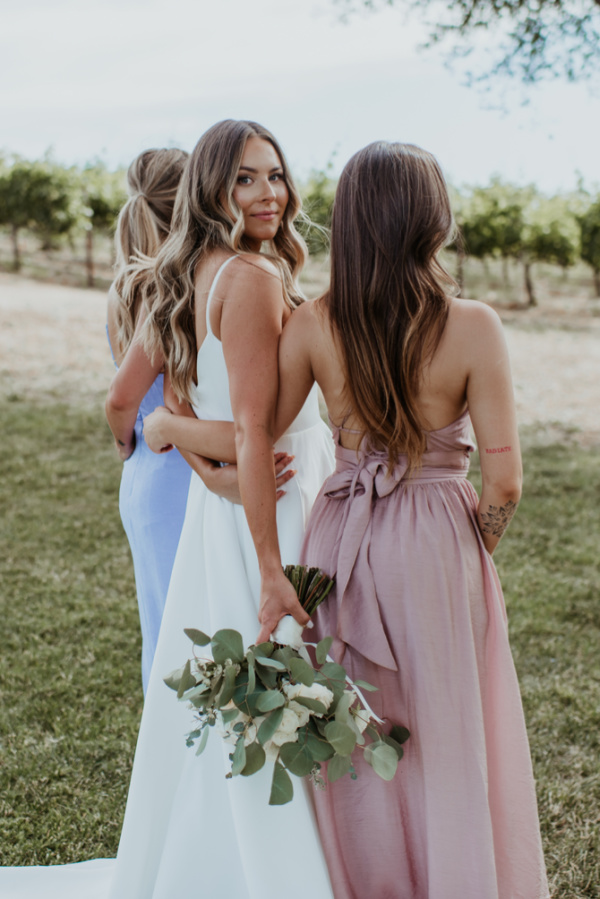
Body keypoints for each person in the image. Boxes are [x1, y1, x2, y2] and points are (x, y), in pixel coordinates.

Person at [0, 122, 333, 898]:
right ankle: (271, 867)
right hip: (271, 506)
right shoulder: (246, 277)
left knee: (231, 686)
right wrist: (266, 560)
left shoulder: (189, 271)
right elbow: (253, 426)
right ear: (211, 187)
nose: (268, 194)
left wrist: (177, 441)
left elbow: (173, 403)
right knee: (273, 677)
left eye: (276, 176)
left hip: (229, 506)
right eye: (246, 179)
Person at [264, 142, 550, 898]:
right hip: (435, 540)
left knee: (356, 728)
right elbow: (507, 482)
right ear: (433, 217)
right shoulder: (473, 325)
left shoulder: (312, 323)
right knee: (449, 727)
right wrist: (467, 546)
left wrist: (178, 434)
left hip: (340, 542)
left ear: (350, 221)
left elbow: (259, 436)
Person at [105, 147, 192, 693]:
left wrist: (125, 444)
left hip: (145, 473)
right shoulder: (167, 292)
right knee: (187, 627)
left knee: (162, 623)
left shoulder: (125, 286)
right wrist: (124, 435)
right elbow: (120, 399)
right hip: (177, 471)